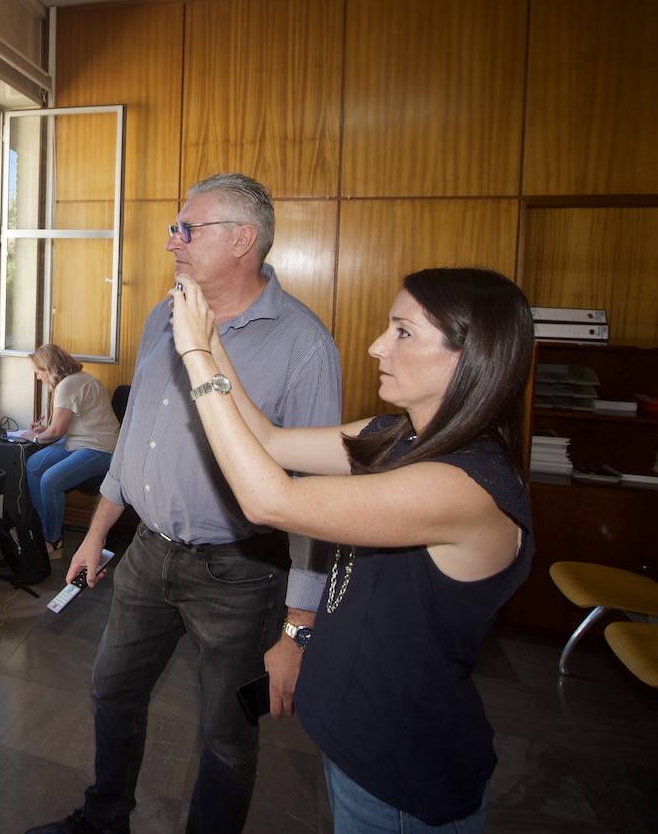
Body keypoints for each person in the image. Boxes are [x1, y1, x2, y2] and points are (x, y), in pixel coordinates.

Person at [28, 173, 341, 834]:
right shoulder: (162, 315)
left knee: (229, 734)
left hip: (242, 575)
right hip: (146, 554)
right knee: (111, 689)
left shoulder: (303, 344)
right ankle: (104, 818)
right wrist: (97, 533)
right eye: (174, 226)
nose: (172, 241)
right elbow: (138, 435)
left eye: (187, 228)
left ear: (242, 241)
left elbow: (316, 499)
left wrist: (298, 627)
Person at [169, 267, 534, 833]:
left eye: (403, 332)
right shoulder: (396, 436)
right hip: (357, 741)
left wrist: (194, 355)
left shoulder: (466, 486)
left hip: (404, 769)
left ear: (470, 357)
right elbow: (268, 440)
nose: (377, 346)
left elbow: (270, 499)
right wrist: (212, 340)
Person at [23, 344, 119, 558]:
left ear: (49, 368)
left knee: (50, 481)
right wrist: (45, 431)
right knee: (34, 465)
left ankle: (53, 540)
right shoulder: (76, 379)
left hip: (100, 448)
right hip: (77, 442)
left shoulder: (67, 385)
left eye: (39, 371)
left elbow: (57, 430)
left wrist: (36, 437)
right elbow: (62, 427)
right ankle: (45, 527)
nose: (38, 377)